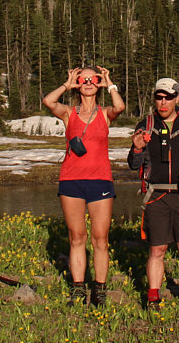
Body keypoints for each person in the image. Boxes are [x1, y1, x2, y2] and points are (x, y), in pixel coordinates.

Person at [42, 65, 125, 306]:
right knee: (77, 237)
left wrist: (109, 82)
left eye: (93, 79)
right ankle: (78, 289)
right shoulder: (68, 113)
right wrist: (67, 84)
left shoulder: (105, 113)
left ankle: (99, 289)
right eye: (83, 79)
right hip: (71, 180)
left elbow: (120, 106)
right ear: (78, 84)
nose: (88, 82)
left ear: (98, 83)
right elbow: (48, 100)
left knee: (100, 238)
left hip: (100, 179)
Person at [127, 77, 179, 308]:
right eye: (159, 97)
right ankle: (153, 295)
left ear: (177, 98)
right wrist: (137, 147)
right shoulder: (146, 124)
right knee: (157, 248)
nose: (163, 103)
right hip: (156, 196)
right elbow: (134, 164)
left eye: (168, 98)